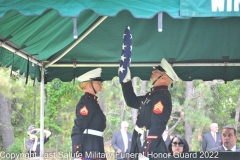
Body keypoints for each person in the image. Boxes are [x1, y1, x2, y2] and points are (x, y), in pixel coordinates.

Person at [120, 58, 179, 159]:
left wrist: (145, 152)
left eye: (156, 71)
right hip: (141, 140)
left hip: (150, 147)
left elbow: (157, 127)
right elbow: (132, 101)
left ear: (164, 78)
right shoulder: (153, 95)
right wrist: (126, 81)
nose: (152, 72)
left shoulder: (161, 97)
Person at [71, 68, 106, 159]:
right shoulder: (86, 103)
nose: (101, 84)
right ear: (89, 84)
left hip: (95, 148)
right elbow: (78, 128)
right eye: (98, 82)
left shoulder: (92, 102)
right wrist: (77, 153)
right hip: (88, 150)